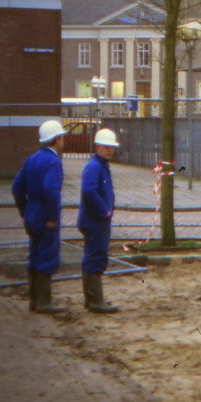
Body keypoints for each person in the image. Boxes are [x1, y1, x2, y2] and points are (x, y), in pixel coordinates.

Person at [12, 120, 68, 314]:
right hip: (45, 214)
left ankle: (34, 302)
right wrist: (53, 216)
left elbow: (16, 188)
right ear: (57, 139)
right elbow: (51, 190)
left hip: (32, 213)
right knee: (47, 255)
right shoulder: (54, 162)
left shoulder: (31, 159)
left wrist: (25, 211)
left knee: (34, 256)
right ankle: (44, 302)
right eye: (62, 137)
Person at [78, 129, 120, 314]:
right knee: (96, 257)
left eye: (111, 147)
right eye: (106, 146)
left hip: (95, 220)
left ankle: (91, 299)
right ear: (97, 146)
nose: (109, 150)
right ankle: (96, 301)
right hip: (95, 221)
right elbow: (89, 191)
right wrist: (104, 211)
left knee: (91, 257)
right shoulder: (95, 167)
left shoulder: (100, 165)